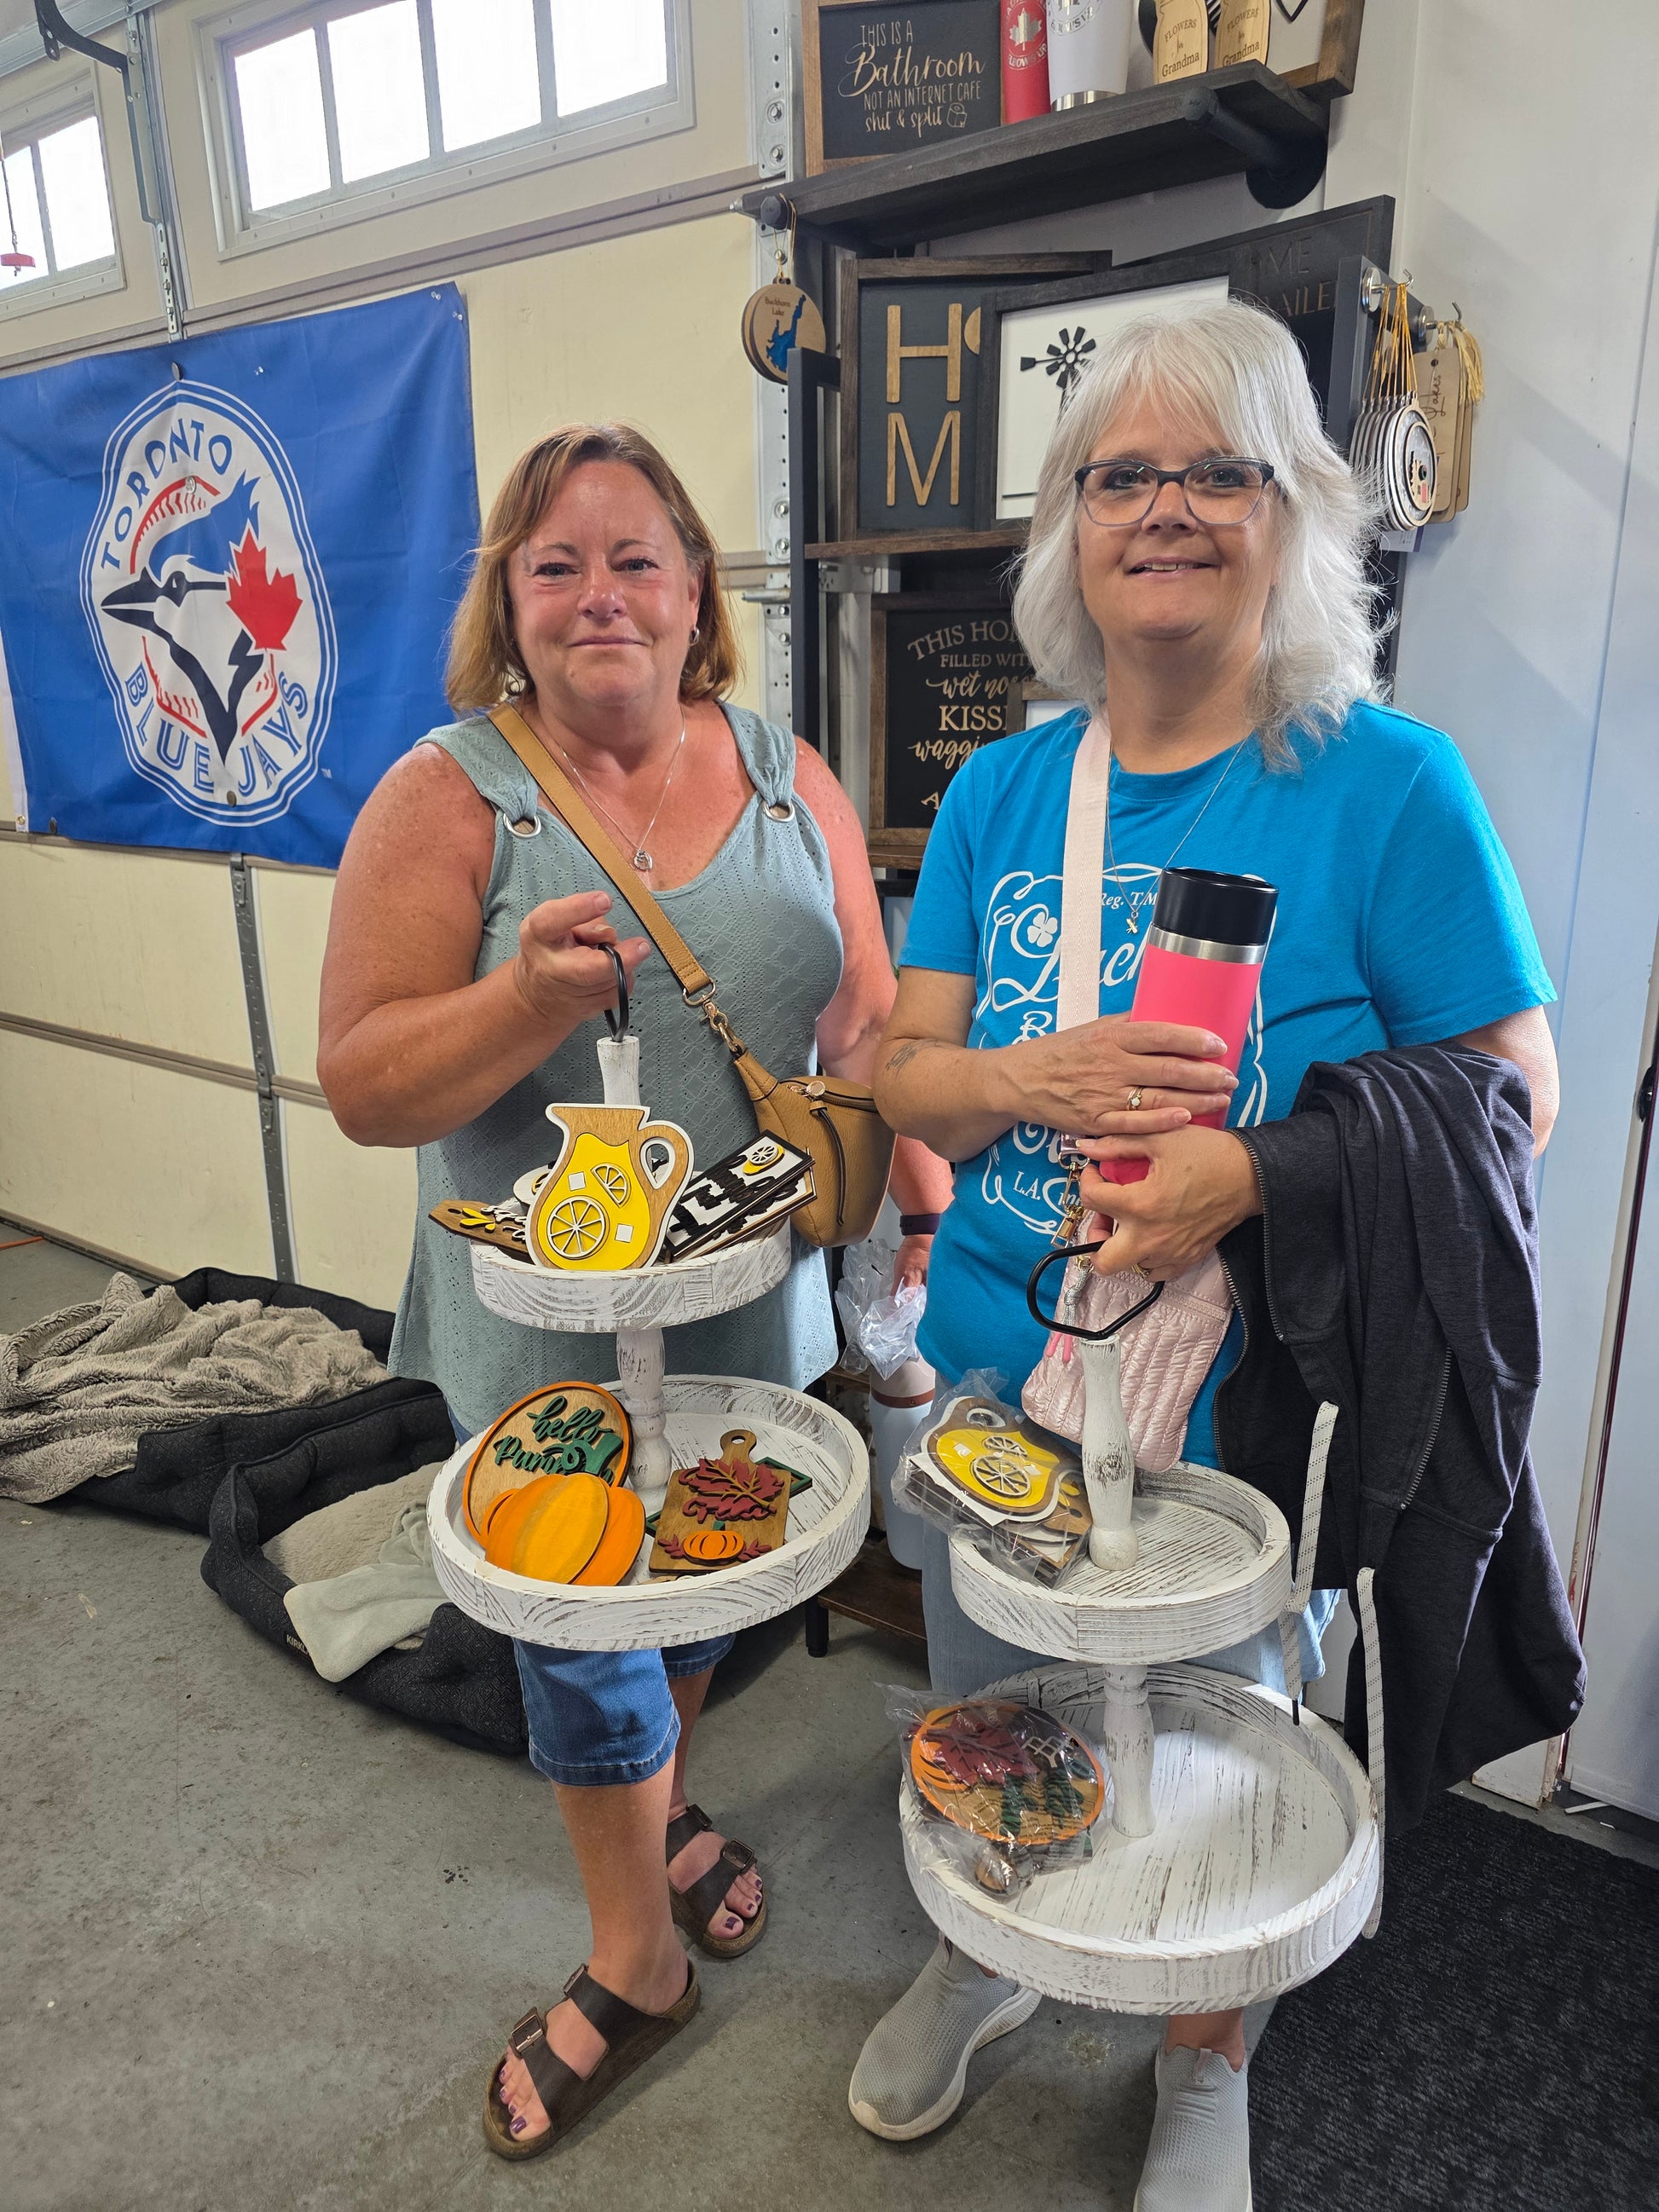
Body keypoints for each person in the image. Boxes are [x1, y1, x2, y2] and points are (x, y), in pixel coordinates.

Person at [853, 298, 1558, 2209]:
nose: (1163, 508)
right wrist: (1032, 1074)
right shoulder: (1004, 790)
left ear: (1292, 513)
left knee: (1224, 1745)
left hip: (1243, 1412)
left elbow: (1518, 1098)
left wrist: (1251, 1171)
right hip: (1002, 1368)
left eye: (1217, 472)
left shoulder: (1383, 782)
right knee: (993, 1688)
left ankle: (1201, 2047)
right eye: (1119, 477)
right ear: (1068, 526)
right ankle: (994, 1947)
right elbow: (904, 1072)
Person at [317, 422, 952, 2161]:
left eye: (636, 559)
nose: (599, 593)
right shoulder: (451, 793)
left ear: (694, 596)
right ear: (506, 607)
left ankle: (655, 1813)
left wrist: (917, 1196)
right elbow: (364, 1082)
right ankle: (634, 1958)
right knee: (585, 1619)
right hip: (547, 1335)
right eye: (556, 564)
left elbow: (863, 1017)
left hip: (751, 1300)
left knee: (710, 1579)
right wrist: (524, 1001)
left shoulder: (786, 772)